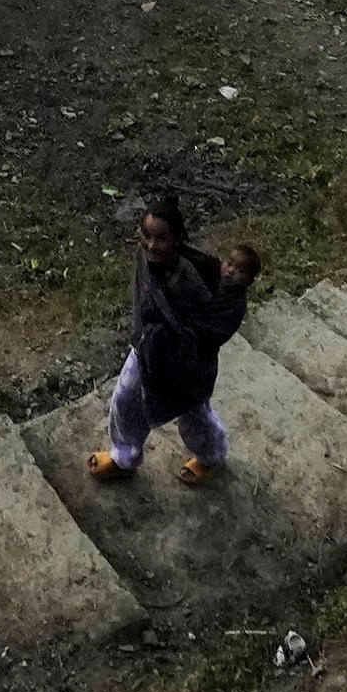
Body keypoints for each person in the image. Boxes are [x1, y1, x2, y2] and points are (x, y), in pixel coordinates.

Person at [91, 190, 257, 489]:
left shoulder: (191, 277)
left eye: (161, 239)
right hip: (148, 351)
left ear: (177, 239)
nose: (152, 245)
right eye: (146, 235)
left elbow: (207, 325)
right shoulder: (145, 259)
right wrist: (150, 337)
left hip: (187, 366)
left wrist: (171, 336)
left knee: (194, 416)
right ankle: (123, 458)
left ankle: (211, 456)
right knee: (126, 398)